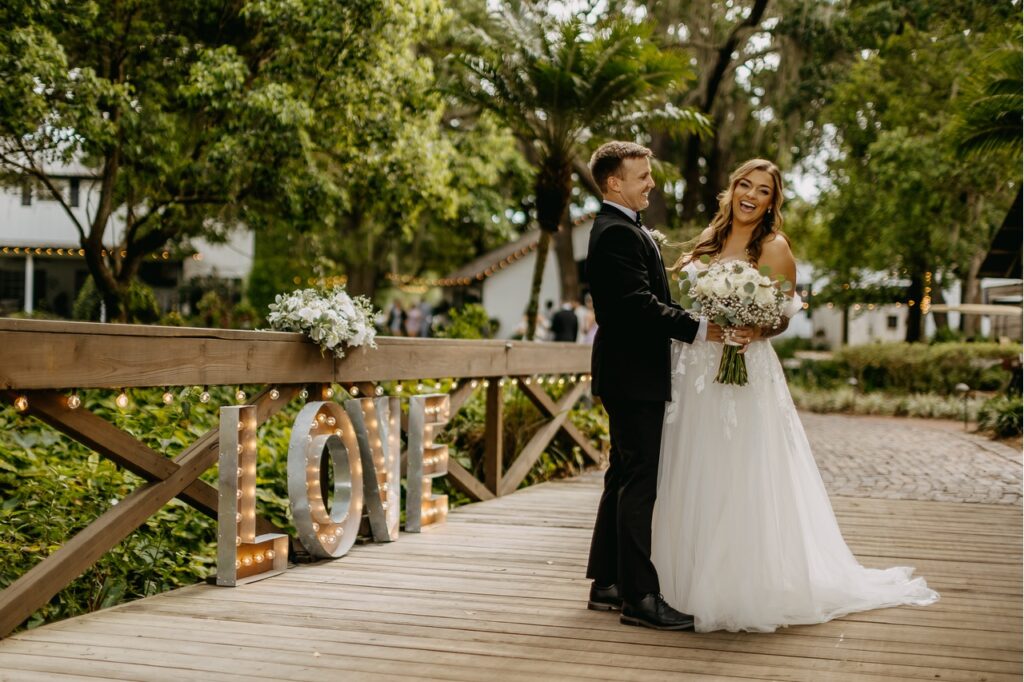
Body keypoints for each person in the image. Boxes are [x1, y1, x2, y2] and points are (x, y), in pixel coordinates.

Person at [652, 159, 939, 632]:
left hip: (746, 366)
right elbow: (686, 299)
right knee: (695, 464)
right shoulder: (710, 238)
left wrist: (755, 326)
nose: (750, 195)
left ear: (770, 202)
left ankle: (738, 586)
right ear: (733, 188)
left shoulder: (775, 246)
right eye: (744, 184)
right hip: (700, 368)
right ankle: (677, 582)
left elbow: (783, 315)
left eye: (762, 190)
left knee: (740, 469)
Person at [584, 141, 735, 630]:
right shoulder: (614, 234)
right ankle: (640, 598)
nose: (651, 182)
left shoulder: (623, 229)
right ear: (614, 183)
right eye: (642, 175)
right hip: (633, 376)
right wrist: (698, 327)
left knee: (622, 476)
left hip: (630, 373)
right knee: (639, 483)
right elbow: (635, 306)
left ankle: (607, 582)